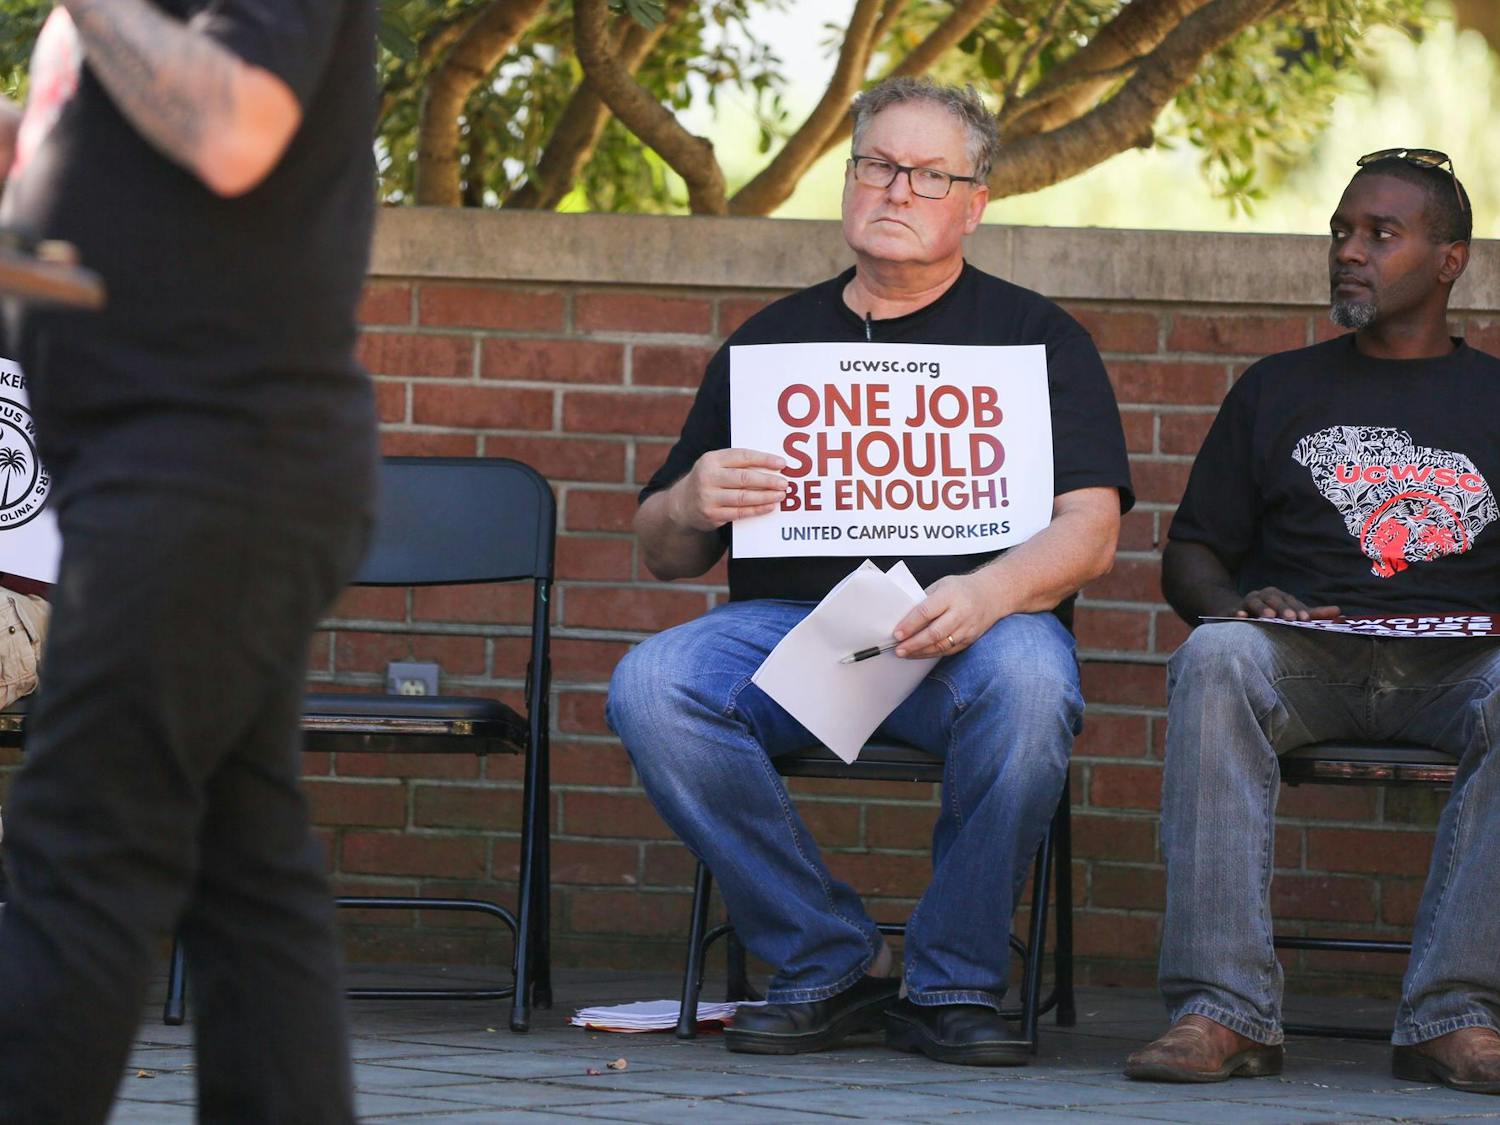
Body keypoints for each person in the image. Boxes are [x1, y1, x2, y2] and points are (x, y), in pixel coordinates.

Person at [608, 77, 1133, 1068]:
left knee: (1032, 677)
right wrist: (689, 501)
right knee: (652, 684)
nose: (897, 189)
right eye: (878, 166)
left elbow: (1092, 533)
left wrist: (985, 593)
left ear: (974, 204)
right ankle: (826, 964)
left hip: (974, 636)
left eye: (930, 175)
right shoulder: (768, 344)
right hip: (802, 635)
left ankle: (952, 984)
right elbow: (662, 550)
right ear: (849, 183)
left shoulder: (1038, 341)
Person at [0, 2, 378, 1121]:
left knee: (83, 848)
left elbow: (234, 130)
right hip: (158, 467)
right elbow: (101, 263)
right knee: (247, 874)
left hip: (214, 465)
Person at [1125, 151, 1500, 1095]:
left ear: (1450, 259)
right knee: (1214, 657)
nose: (1349, 251)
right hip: (1303, 659)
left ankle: (1452, 1015)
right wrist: (1235, 602)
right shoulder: (1277, 388)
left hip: (1462, 669)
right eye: (1341, 230)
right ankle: (1223, 1010)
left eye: (1381, 234)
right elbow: (1192, 554)